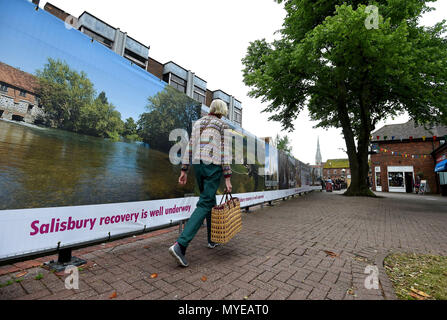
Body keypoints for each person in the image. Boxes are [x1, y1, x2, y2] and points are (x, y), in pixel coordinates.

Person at [169, 99, 232, 267]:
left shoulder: (198, 123)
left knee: (209, 200)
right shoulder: (223, 126)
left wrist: (184, 169)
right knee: (205, 202)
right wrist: (227, 177)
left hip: (198, 165)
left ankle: (212, 239)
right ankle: (181, 245)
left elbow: (190, 145)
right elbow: (225, 152)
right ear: (222, 111)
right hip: (213, 165)